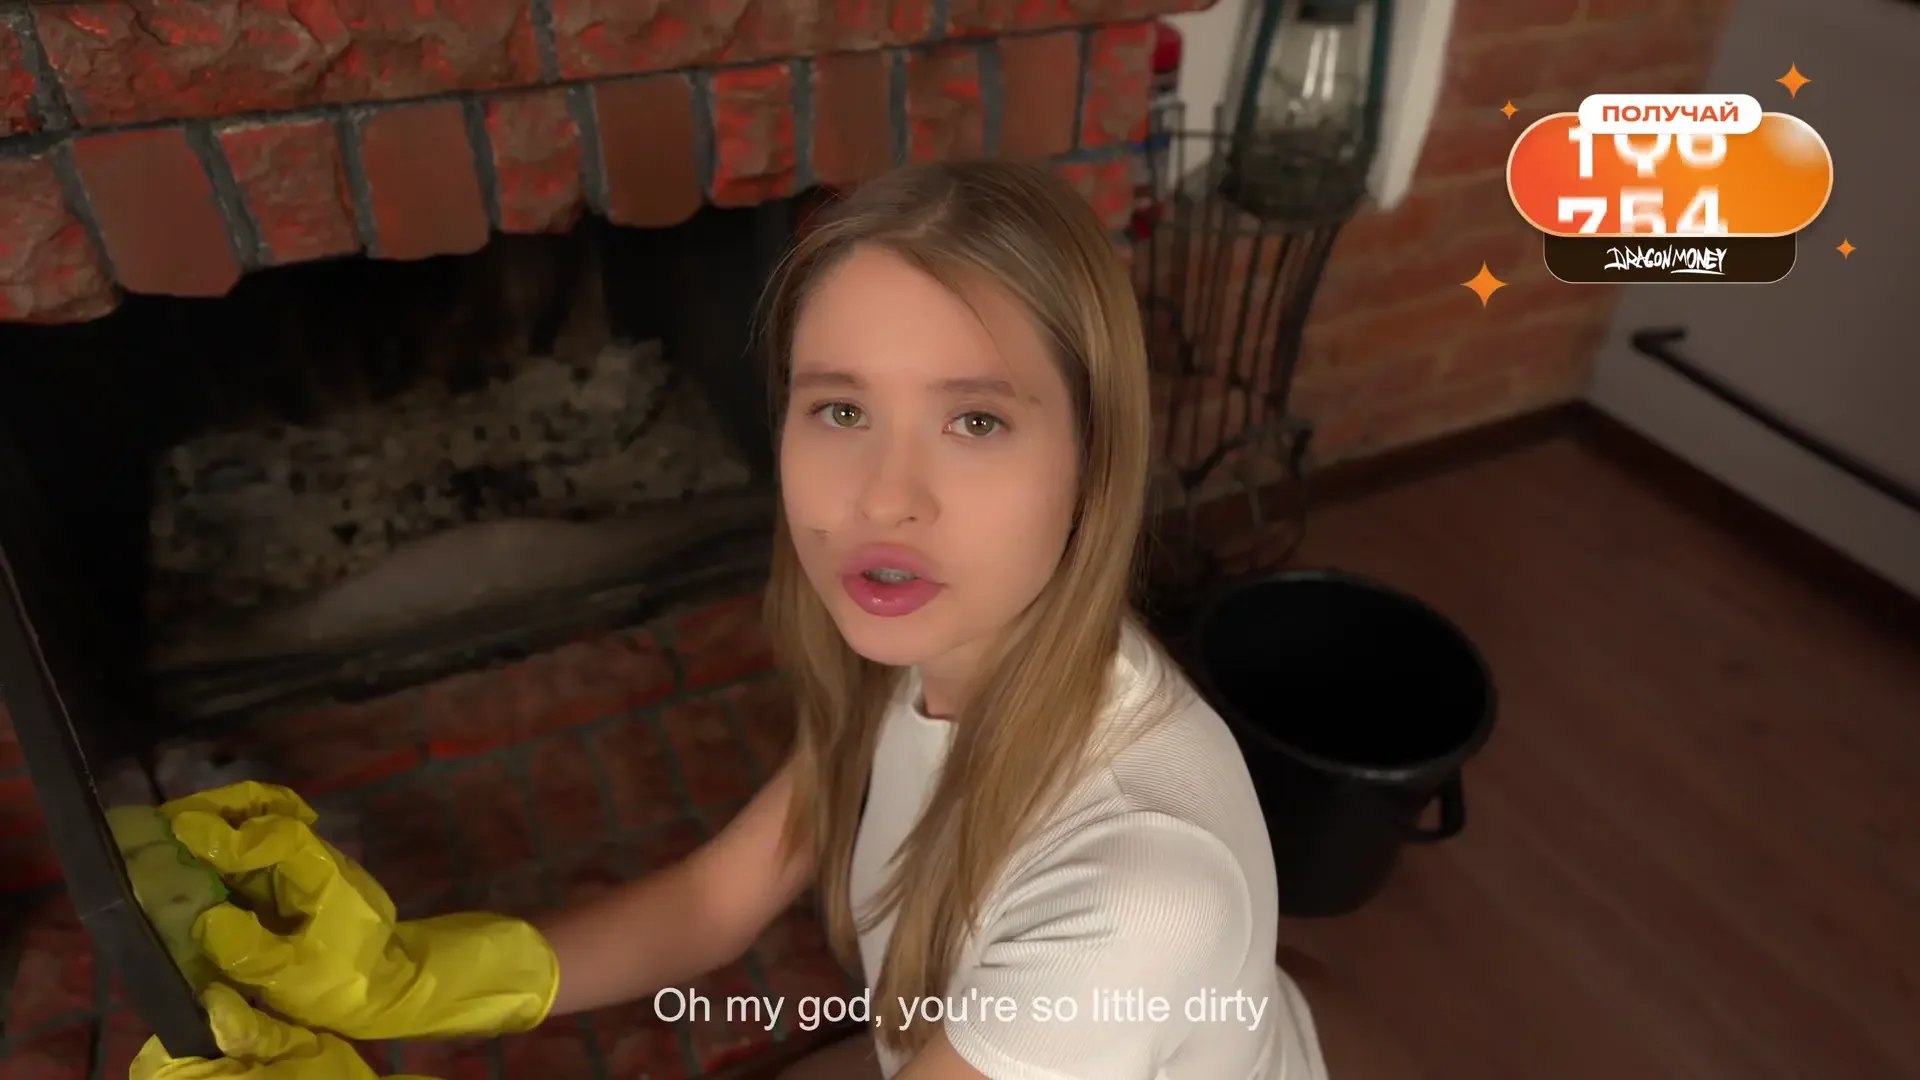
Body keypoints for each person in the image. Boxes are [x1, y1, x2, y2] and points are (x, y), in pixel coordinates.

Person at [133, 160, 1413, 1080]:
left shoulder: (1140, 893)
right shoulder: (927, 650)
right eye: (840, 408)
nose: (882, 499)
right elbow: (711, 901)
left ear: (1093, 462)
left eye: (976, 419)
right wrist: (409, 981)